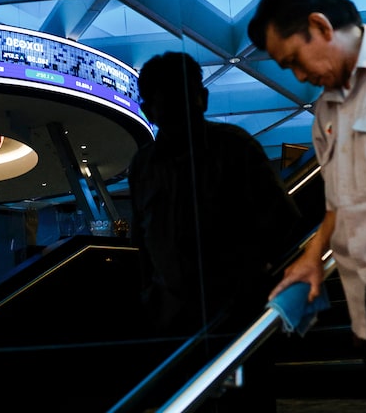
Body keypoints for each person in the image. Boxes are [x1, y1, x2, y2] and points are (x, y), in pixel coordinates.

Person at [248, 0, 366, 413]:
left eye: (295, 60)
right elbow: (339, 203)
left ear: (319, 26)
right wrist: (313, 255)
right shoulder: (325, 115)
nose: (300, 76)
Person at [128, 51, 302, 411]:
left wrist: (247, 285)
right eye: (171, 101)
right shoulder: (143, 165)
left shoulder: (235, 147)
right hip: (174, 325)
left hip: (234, 319)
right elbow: (142, 242)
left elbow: (284, 224)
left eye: (185, 97)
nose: (183, 110)